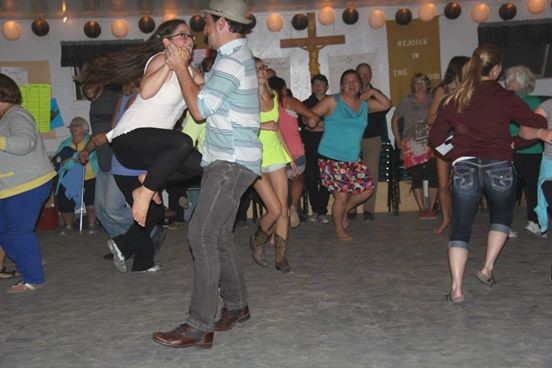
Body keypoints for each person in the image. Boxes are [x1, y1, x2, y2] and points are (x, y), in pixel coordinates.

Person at [151, 0, 260, 349]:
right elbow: (207, 96)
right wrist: (190, 72)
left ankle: (199, 325)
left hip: (229, 162)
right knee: (219, 236)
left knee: (199, 235)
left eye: (209, 23)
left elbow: (199, 110)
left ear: (224, 24)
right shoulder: (234, 59)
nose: (205, 30)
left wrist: (182, 68)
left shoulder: (230, 60)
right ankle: (237, 305)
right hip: (234, 160)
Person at [428, 45, 547, 304]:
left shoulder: (456, 97)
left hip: (465, 167)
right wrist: (513, 140)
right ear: (496, 70)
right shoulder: (505, 97)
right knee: (502, 217)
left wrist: (453, 152)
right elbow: (537, 124)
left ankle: (457, 289)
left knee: (460, 228)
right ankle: (487, 268)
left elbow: (435, 137)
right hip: (499, 166)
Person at [248, 64, 319, 273]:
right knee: (275, 208)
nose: (261, 71)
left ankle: (281, 257)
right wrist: (262, 126)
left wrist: (290, 158)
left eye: (263, 68)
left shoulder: (274, 98)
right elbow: (237, 125)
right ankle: (257, 239)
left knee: (284, 209)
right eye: (256, 68)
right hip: (256, 158)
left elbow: (278, 130)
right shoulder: (245, 98)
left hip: (276, 155)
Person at [311, 69, 391, 241]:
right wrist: (312, 122)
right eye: (347, 81)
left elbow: (386, 104)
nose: (352, 84)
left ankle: (344, 210)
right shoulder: (332, 101)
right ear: (341, 85)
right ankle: (339, 229)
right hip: (330, 157)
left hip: (352, 159)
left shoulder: (364, 105)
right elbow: (311, 115)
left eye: (355, 81)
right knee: (341, 195)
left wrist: (373, 92)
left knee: (367, 191)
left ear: (360, 85)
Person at [0, 73, 57, 293]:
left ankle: (33, 278)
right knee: (4, 230)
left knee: (18, 231)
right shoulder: (5, 119)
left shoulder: (16, 115)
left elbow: (25, 143)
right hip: (13, 186)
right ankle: (29, 262)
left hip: (29, 183)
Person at [427, 56, 470, 234]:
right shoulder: (442, 90)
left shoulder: (471, 89)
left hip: (465, 141)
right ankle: (446, 219)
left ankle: (461, 220)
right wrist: (449, 106)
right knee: (443, 185)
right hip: (445, 141)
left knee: (464, 184)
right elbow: (430, 119)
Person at [392, 73, 437, 219]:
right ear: (412, 85)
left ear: (428, 85)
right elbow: (394, 120)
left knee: (433, 174)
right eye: (416, 82)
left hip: (431, 141)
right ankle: (422, 209)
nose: (419, 85)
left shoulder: (433, 99)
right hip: (412, 142)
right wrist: (398, 141)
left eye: (422, 82)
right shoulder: (407, 100)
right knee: (416, 175)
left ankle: (431, 208)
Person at [505, 66, 544, 237]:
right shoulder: (535, 102)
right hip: (532, 150)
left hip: (509, 148)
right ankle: (533, 221)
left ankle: (504, 225)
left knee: (507, 189)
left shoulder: (503, 101)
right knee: (534, 188)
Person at [267, 77, 308, 228]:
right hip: (295, 149)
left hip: (276, 151)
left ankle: (279, 220)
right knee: (299, 178)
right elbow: (311, 115)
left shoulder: (267, 105)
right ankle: (294, 205)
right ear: (283, 88)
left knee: (279, 190)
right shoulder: (289, 102)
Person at [354, 63, 391, 221]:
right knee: (352, 174)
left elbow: (386, 107)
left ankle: (369, 209)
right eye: (361, 74)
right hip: (353, 139)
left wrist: (372, 93)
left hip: (371, 138)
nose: (364, 77)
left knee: (371, 174)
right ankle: (351, 208)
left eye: (367, 74)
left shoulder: (378, 94)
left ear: (371, 76)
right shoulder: (349, 93)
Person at [53, 117, 98, 234]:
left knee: (91, 203)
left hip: (90, 176)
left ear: (85, 128)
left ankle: (92, 225)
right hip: (70, 178)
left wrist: (69, 160)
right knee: (64, 201)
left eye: (76, 125)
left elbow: (90, 157)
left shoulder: (91, 141)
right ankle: (68, 226)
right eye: (71, 126)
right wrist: (74, 159)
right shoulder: (65, 143)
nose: (72, 128)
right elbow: (58, 162)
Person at [300, 74, 330, 223]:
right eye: (315, 84)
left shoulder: (332, 102)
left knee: (326, 178)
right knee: (311, 178)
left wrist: (317, 125)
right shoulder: (305, 104)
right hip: (310, 146)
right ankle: (316, 210)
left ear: (326, 86)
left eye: (321, 84)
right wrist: (322, 126)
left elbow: (334, 125)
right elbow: (306, 124)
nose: (318, 87)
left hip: (328, 146)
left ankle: (322, 210)